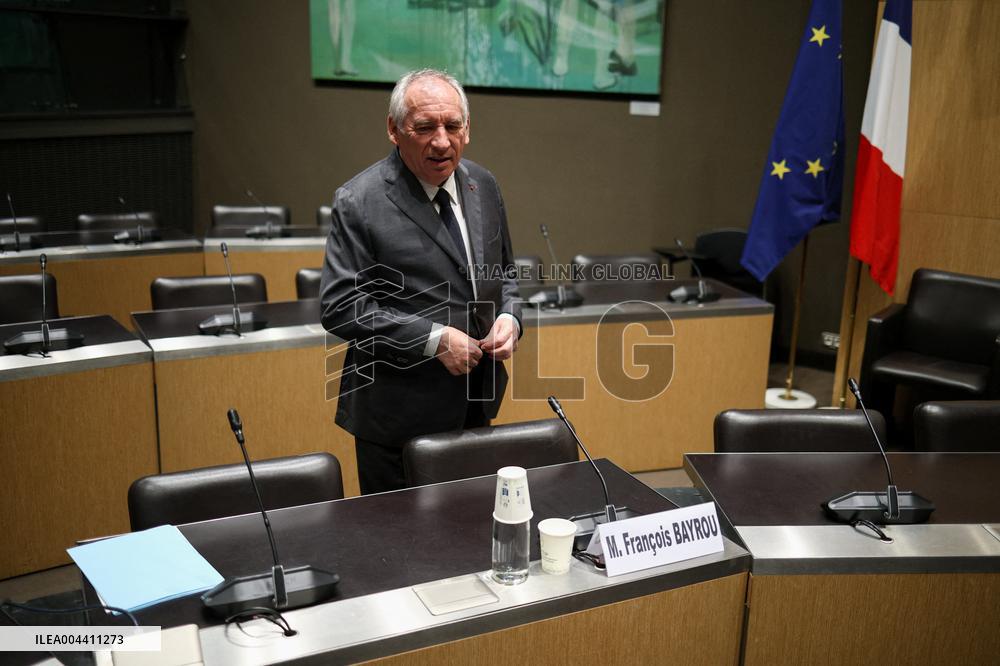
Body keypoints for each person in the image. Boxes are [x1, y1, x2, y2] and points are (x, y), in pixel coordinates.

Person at [320, 69, 522, 495]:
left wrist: (510, 317)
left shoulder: (483, 183)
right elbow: (341, 305)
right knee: (400, 549)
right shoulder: (359, 200)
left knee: (470, 534)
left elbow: (503, 274)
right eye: (425, 127)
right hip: (397, 419)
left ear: (468, 128)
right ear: (394, 130)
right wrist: (433, 340)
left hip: (475, 401)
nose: (442, 141)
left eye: (453, 126)